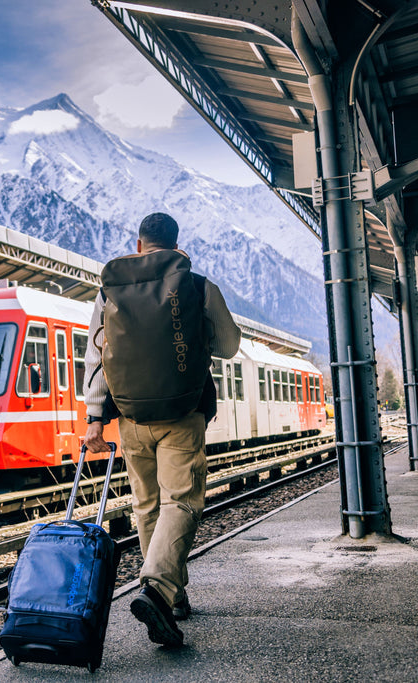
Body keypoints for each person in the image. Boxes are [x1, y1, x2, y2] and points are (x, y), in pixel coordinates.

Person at [83, 212, 240, 647]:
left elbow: (96, 355)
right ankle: (156, 588)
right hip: (182, 416)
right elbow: (228, 346)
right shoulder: (198, 284)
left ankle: (171, 596)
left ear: (138, 245)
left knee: (147, 506)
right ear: (176, 244)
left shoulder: (108, 290)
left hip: (131, 418)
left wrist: (96, 417)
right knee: (182, 502)